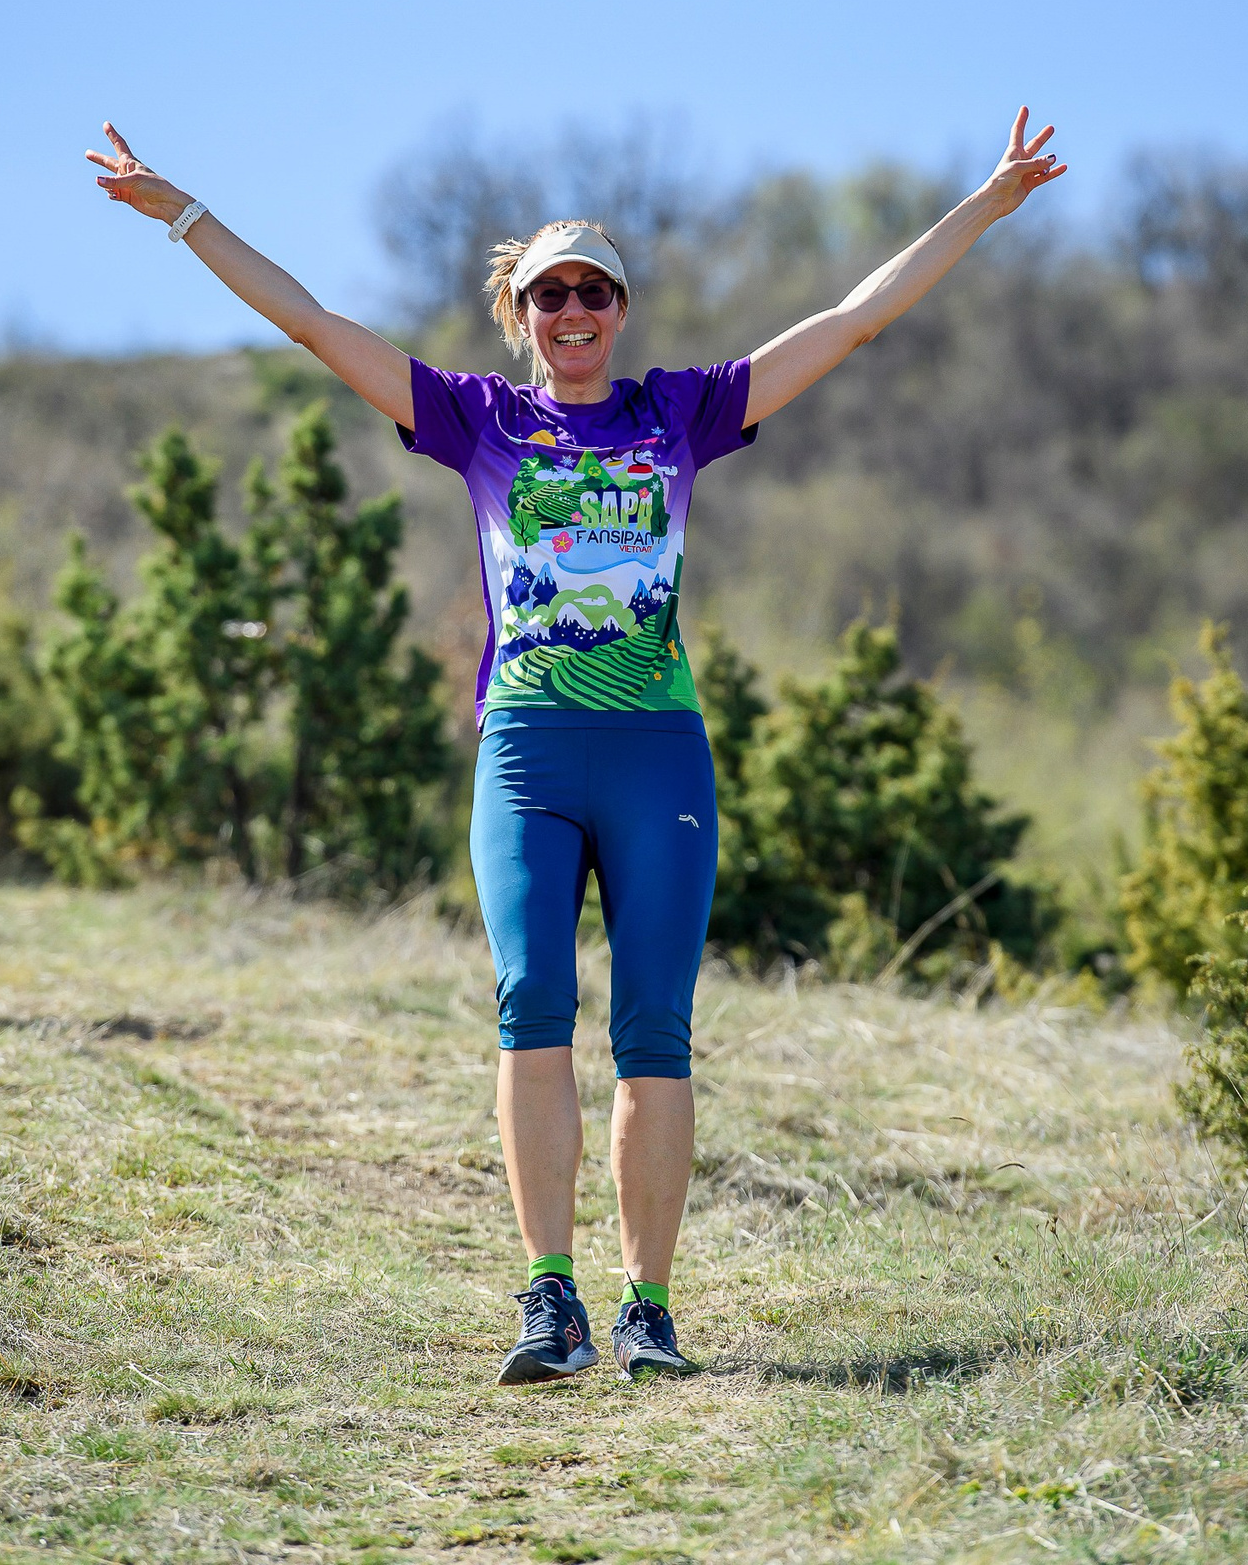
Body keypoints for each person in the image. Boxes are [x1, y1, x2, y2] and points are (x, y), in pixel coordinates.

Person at [85, 109, 1064, 1382]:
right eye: (551, 293)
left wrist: (983, 205)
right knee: (530, 1006)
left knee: (653, 1027)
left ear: (620, 308)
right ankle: (550, 1299)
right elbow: (317, 328)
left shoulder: (687, 413)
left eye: (595, 289)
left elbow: (852, 321)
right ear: (523, 311)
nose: (575, 309)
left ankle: (649, 1306)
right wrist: (184, 214)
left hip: (658, 750)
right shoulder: (474, 420)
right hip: (529, 751)